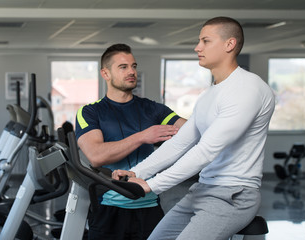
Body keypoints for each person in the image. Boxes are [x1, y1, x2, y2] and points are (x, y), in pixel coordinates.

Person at [113, 16, 275, 240]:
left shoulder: (248, 88)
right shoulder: (209, 94)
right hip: (202, 190)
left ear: (230, 44)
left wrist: (151, 185)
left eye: (206, 41)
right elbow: (181, 143)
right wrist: (137, 172)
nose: (197, 47)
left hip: (233, 195)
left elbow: (206, 150)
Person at [75, 43, 186, 240]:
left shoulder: (153, 109)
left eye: (133, 66)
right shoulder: (90, 112)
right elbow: (96, 156)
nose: (131, 71)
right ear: (105, 73)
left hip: (149, 207)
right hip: (109, 209)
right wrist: (143, 136)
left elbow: (192, 131)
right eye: (123, 67)